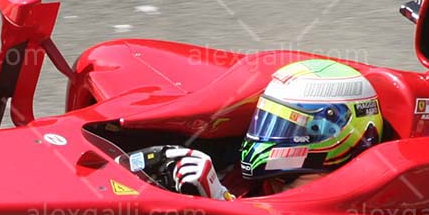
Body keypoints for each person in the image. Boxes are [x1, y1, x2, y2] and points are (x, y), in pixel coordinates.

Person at [123, 60, 384, 198]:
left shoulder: (351, 206)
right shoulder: (273, 178)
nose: (270, 134)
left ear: (331, 132)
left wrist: (217, 201)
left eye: (289, 126)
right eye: (268, 120)